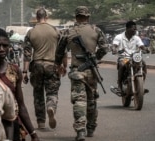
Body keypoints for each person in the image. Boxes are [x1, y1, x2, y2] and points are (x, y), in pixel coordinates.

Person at [55, 6, 109, 141]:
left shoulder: (68, 32)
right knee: (91, 100)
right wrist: (95, 59)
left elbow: (59, 52)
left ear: (76, 17)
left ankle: (80, 131)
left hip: (77, 71)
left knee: (79, 101)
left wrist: (59, 65)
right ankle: (91, 128)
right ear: (88, 17)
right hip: (91, 71)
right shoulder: (96, 30)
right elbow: (104, 48)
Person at [0, 28, 40, 141]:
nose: (1, 49)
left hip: (12, 127)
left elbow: (20, 105)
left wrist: (33, 133)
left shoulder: (14, 71)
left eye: (5, 45)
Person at [22, 8, 66, 130]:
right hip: (51, 65)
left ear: (36, 17)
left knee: (38, 94)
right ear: (46, 17)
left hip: (37, 66)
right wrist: (63, 66)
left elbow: (27, 54)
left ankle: (41, 122)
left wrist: (25, 72)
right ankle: (51, 107)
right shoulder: (56, 31)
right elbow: (63, 51)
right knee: (52, 92)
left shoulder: (31, 32)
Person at [111, 21, 148, 95]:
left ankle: (141, 86)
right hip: (125, 57)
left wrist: (145, 49)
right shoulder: (119, 37)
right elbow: (114, 45)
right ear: (127, 28)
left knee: (144, 64)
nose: (135, 31)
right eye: (133, 29)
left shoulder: (136, 38)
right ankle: (119, 86)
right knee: (122, 65)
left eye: (135, 29)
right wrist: (114, 49)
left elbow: (141, 46)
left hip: (135, 57)